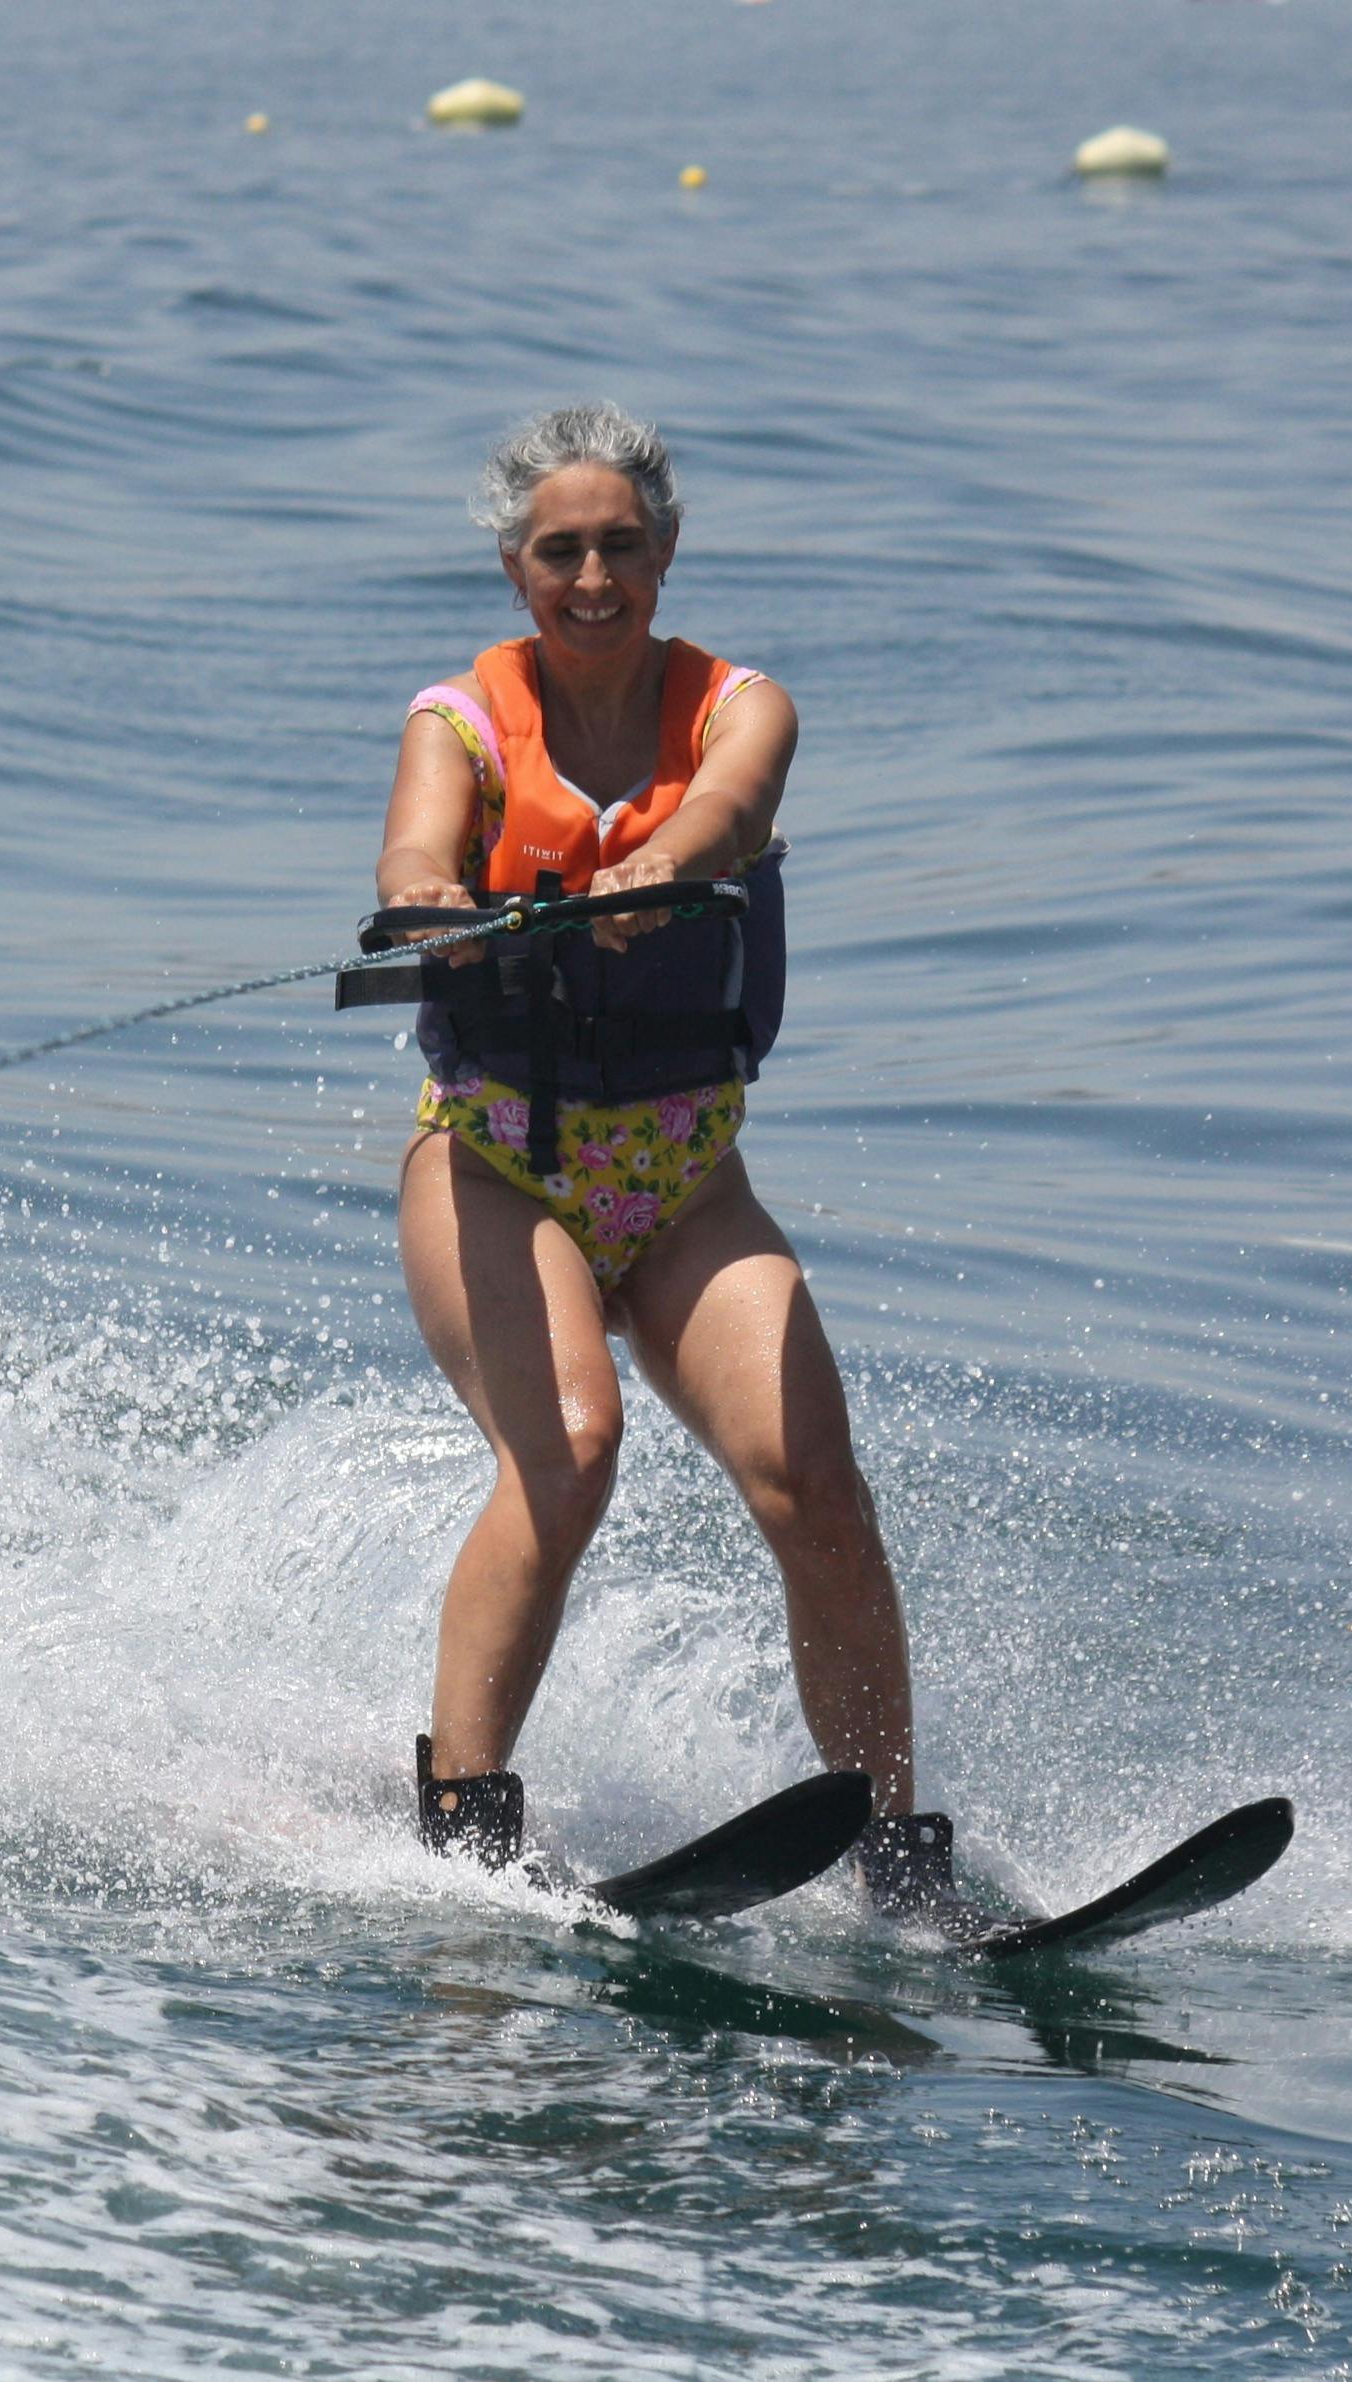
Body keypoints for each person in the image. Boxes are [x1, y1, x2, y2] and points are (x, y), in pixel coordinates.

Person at [373, 403, 955, 1918]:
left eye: (621, 547)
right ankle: (465, 1826)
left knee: (815, 1483)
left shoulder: (742, 706)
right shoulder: (457, 723)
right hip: (496, 1168)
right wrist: (441, 902)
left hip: (686, 1184)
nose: (592, 577)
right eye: (559, 551)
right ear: (515, 568)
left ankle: (897, 1848)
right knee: (568, 1454)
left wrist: (660, 866)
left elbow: (731, 807)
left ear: (668, 552)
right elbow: (413, 854)